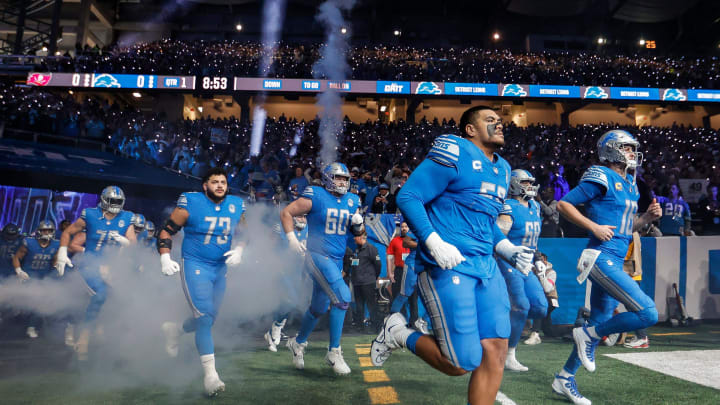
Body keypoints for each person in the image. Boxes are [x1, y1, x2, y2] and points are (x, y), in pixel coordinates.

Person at [371, 105, 534, 405]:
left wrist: (505, 247)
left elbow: (485, 223)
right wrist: (433, 241)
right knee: (461, 362)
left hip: (486, 267)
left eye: (500, 121)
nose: (499, 125)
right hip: (448, 264)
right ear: (470, 129)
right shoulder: (455, 150)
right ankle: (398, 332)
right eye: (490, 121)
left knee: (496, 351)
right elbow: (408, 195)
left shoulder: (503, 168)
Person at [552, 130, 662, 405]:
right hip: (600, 257)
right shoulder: (600, 175)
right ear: (611, 150)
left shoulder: (630, 183)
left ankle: (564, 377)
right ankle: (588, 335)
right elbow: (564, 204)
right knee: (647, 313)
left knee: (599, 321)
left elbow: (625, 230)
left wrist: (646, 218)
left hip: (615, 254)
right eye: (626, 148)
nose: (631, 153)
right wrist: (593, 226)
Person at [156, 167, 246, 396]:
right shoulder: (191, 202)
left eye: (223, 182)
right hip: (196, 265)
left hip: (220, 268)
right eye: (214, 182)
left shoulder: (236, 204)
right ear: (205, 185)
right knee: (204, 318)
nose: (219, 185)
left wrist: (241, 250)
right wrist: (165, 258)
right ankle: (210, 375)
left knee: (210, 318)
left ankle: (175, 330)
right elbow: (166, 232)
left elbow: (244, 232)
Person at [280, 162, 363, 376]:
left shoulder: (353, 200)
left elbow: (358, 232)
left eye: (345, 178)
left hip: (335, 258)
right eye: (338, 178)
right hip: (316, 255)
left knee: (318, 307)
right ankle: (334, 351)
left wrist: (358, 223)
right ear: (327, 179)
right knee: (343, 297)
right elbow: (287, 213)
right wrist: (291, 238)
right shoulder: (315, 195)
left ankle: (297, 343)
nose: (342, 182)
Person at [56, 186, 137, 361]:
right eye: (112, 201)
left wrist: (126, 243)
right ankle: (83, 338)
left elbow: (134, 243)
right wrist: (62, 252)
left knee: (118, 299)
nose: (115, 205)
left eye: (118, 202)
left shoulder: (127, 217)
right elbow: (68, 232)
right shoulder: (90, 214)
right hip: (89, 265)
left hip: (111, 266)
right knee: (99, 295)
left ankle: (101, 334)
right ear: (104, 200)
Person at [496, 169, 548, 371]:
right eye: (525, 182)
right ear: (514, 184)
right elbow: (499, 239)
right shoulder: (507, 207)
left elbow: (533, 239)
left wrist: (537, 258)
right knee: (521, 307)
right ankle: (509, 354)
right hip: (508, 261)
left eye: (530, 182)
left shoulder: (535, 206)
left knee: (540, 307)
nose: (529, 186)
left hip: (527, 263)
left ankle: (502, 328)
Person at [264, 215, 308, 352]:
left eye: (305, 217)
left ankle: (276, 326)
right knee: (292, 300)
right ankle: (276, 326)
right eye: (300, 216)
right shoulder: (281, 227)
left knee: (293, 302)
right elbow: (270, 246)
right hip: (283, 267)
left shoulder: (309, 228)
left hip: (298, 269)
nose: (302, 220)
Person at [12, 220, 60, 338]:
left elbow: (54, 260)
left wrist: (58, 266)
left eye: (49, 230)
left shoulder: (56, 244)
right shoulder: (29, 242)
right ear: (39, 231)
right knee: (24, 303)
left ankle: (31, 326)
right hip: (28, 276)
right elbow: (17, 257)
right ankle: (18, 314)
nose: (47, 233)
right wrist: (19, 271)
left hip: (44, 277)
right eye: (44, 230)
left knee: (39, 302)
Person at [388, 226, 430, 334]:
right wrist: (425, 246)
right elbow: (406, 242)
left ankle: (422, 321)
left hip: (428, 266)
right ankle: (390, 320)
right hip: (413, 265)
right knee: (404, 295)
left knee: (433, 296)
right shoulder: (419, 224)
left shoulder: (440, 225)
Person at [343, 230, 381, 332]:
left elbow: (378, 265)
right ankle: (360, 326)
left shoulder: (371, 249)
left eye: (356, 237)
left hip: (368, 283)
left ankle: (375, 327)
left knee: (371, 305)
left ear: (361, 237)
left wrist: (373, 277)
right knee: (359, 305)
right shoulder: (356, 250)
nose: (354, 238)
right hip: (357, 283)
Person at [525, 252, 559, 343]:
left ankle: (535, 334)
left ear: (545, 260)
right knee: (547, 328)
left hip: (550, 299)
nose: (540, 261)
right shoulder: (531, 271)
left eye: (541, 259)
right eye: (537, 259)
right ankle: (569, 331)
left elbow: (547, 289)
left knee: (538, 307)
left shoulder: (551, 272)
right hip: (538, 297)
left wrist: (542, 274)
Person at [386, 222, 410, 305]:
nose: (404, 228)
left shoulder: (415, 241)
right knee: (396, 294)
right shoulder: (395, 241)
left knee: (412, 298)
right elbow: (389, 257)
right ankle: (397, 315)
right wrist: (390, 273)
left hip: (411, 271)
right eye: (402, 227)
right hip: (399, 271)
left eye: (406, 226)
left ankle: (413, 317)